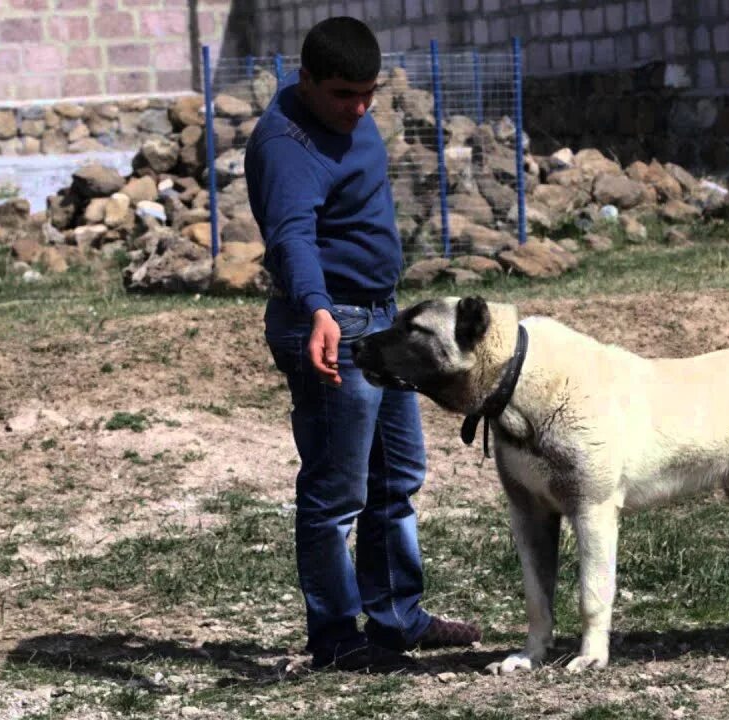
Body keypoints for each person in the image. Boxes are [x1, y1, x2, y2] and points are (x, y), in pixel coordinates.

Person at [244, 16, 480, 672]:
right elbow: (290, 237)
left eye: (369, 93)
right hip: (330, 327)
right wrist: (318, 309)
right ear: (306, 79)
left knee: (397, 476)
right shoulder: (286, 145)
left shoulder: (354, 117)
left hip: (381, 318)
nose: (360, 107)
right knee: (336, 491)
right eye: (345, 94)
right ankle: (337, 637)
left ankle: (397, 616)